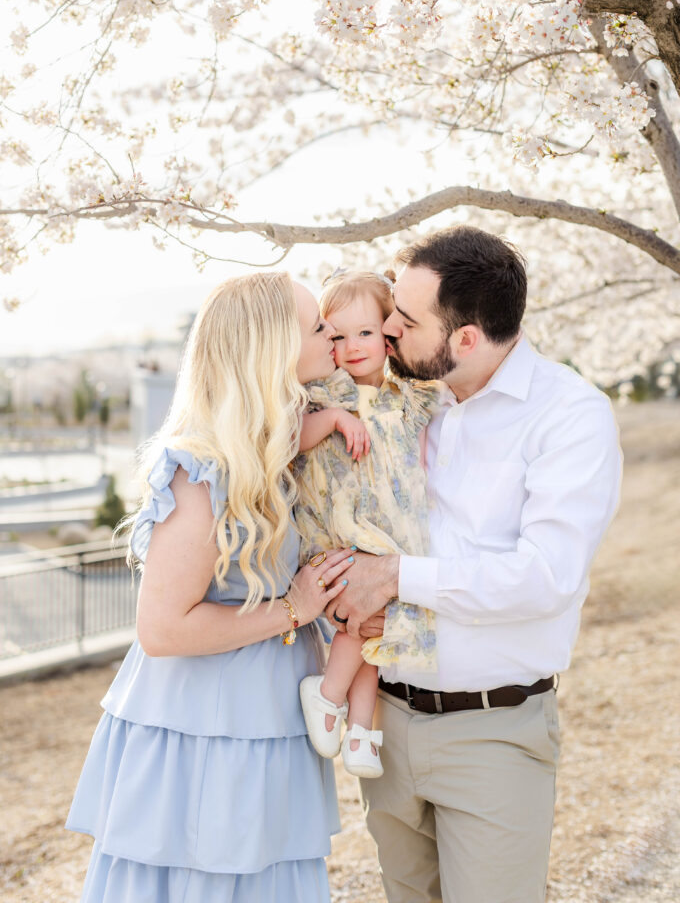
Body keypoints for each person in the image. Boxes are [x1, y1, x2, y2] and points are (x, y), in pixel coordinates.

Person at [325, 226, 623, 903]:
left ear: (464, 339)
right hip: (388, 726)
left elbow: (544, 577)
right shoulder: (406, 398)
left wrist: (396, 575)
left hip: (492, 732)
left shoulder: (567, 416)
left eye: (405, 319)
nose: (387, 329)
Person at [66, 272, 357, 903]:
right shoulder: (203, 472)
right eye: (316, 327)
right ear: (272, 351)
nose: (331, 332)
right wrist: (294, 608)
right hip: (203, 734)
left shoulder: (271, 452)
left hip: (263, 719)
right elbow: (162, 629)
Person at [294, 271, 441, 779]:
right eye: (336, 335)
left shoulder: (407, 394)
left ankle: (359, 729)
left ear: (388, 334)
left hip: (387, 533)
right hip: (339, 532)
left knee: (375, 632)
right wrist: (336, 419)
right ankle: (329, 695)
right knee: (358, 624)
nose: (351, 347)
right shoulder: (325, 391)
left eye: (365, 333)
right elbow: (290, 439)